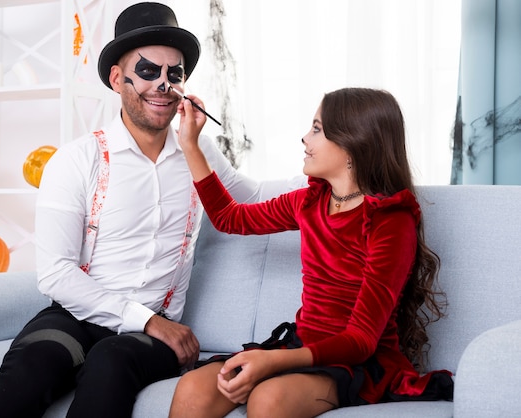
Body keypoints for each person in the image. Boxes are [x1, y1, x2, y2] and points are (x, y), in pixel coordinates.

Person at [0, 3, 303, 418]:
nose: (163, 84)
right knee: (31, 366)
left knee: (110, 361)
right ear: (117, 78)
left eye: (175, 74)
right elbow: (56, 273)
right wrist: (146, 319)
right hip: (80, 316)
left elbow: (251, 195)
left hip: (152, 337)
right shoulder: (77, 160)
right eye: (148, 70)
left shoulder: (198, 153)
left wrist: (340, 174)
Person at [169, 87, 454, 418]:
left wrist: (272, 361)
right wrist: (190, 142)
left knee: (269, 398)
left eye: (317, 129)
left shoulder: (391, 220)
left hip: (356, 361)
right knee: (192, 388)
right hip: (302, 346)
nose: (305, 138)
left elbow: (361, 340)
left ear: (352, 144)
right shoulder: (310, 201)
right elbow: (228, 218)